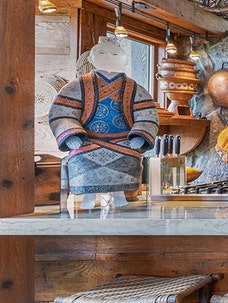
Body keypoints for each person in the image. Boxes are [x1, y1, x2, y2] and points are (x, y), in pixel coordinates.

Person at [49, 38, 159, 208]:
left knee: (130, 156)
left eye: (114, 54)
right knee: (81, 156)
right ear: (91, 59)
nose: (108, 57)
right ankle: (88, 198)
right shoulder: (79, 85)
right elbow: (62, 111)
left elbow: (147, 112)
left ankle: (120, 196)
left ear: (124, 60)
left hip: (123, 141)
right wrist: (71, 133)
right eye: (102, 53)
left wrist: (140, 135)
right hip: (87, 141)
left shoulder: (133, 87)